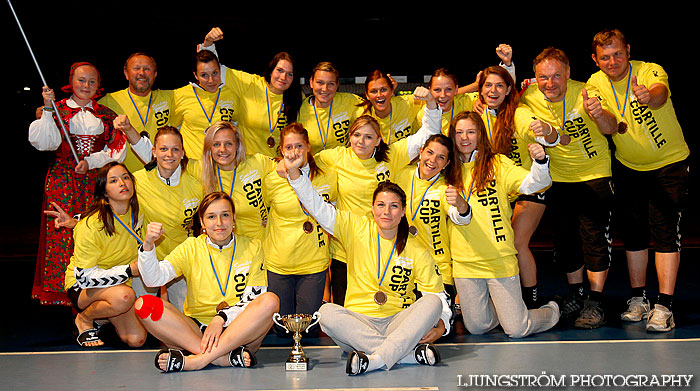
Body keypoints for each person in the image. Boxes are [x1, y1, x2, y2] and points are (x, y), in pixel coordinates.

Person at [285, 156, 451, 375]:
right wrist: (296, 177)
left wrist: (443, 325)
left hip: (397, 323)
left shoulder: (417, 248)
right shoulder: (355, 228)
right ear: (372, 208)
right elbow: (317, 207)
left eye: (394, 206)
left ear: (402, 212)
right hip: (357, 326)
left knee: (431, 302)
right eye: (381, 205)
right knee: (326, 312)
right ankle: (404, 355)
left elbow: (437, 296)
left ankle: (374, 359)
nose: (386, 212)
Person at [587, 29, 690, 332]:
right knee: (633, 235)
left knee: (665, 233)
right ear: (596, 59)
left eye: (617, 53)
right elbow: (609, 127)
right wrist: (596, 113)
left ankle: (665, 306)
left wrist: (648, 95)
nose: (612, 61)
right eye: (605, 57)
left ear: (628, 50)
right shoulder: (596, 83)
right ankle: (638, 299)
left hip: (669, 164)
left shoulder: (648, 70)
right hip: (629, 166)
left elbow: (660, 96)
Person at [312, 87, 442, 306]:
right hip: (347, 251)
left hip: (386, 247)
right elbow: (305, 163)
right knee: (347, 313)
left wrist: (430, 102)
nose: (361, 142)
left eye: (368, 137)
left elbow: (428, 135)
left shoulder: (392, 156)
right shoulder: (335, 157)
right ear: (349, 137)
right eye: (356, 135)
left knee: (386, 309)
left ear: (378, 140)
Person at [520, 47, 618, 329]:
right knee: (565, 243)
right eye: (543, 77)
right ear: (535, 77)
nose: (550, 84)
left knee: (594, 240)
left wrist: (598, 114)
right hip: (558, 179)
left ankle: (595, 301)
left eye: (556, 76)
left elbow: (611, 127)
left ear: (568, 74)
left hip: (593, 175)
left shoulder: (587, 92)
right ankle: (576, 294)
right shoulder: (530, 95)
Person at [136, 192, 280, 372]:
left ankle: (197, 361)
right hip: (196, 332)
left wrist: (221, 319)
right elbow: (153, 279)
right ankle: (221, 358)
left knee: (270, 300)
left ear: (234, 219)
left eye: (225, 215)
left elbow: (254, 298)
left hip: (239, 332)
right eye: (211, 217)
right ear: (202, 223)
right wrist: (148, 245)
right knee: (144, 304)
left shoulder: (253, 246)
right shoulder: (191, 246)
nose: (219, 223)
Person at [447, 111, 560, 338]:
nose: (464, 138)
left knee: (517, 329)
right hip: (465, 262)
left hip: (499, 258)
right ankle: (506, 311)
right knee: (477, 327)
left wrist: (540, 161)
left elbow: (534, 184)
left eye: (471, 131)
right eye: (459, 132)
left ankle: (552, 311)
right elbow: (454, 214)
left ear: (480, 134)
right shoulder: (448, 170)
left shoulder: (497, 163)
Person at [30, 62, 128, 306]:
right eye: (81, 80)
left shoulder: (106, 115)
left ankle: (90, 292)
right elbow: (45, 143)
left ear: (99, 85)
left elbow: (117, 149)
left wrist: (90, 161)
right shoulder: (57, 109)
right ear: (71, 81)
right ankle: (62, 294)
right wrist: (48, 110)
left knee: (91, 232)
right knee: (61, 232)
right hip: (63, 179)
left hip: (94, 180)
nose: (86, 86)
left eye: (92, 81)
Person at [476, 65, 560, 308]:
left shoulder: (519, 112)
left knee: (516, 241)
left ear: (509, 89)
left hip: (529, 187)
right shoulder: (477, 114)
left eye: (499, 85)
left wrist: (547, 134)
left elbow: (545, 136)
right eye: (488, 85)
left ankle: (531, 299)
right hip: (500, 192)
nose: (493, 90)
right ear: (480, 91)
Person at [262, 123, 337, 336]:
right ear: (281, 151)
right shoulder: (272, 180)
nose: (294, 152)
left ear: (308, 147)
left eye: (299, 146)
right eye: (288, 148)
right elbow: (264, 213)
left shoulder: (329, 176)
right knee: (281, 331)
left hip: (313, 263)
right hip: (279, 263)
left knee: (308, 331)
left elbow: (334, 212)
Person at [62, 162, 147, 348]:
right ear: (105, 192)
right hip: (83, 286)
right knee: (124, 297)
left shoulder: (138, 214)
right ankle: (84, 319)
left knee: (137, 339)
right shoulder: (91, 225)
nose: (122, 183)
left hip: (118, 285)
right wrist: (127, 271)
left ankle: (103, 317)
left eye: (126, 177)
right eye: (113, 180)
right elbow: (84, 277)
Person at [392, 133, 472, 328]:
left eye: (441, 157)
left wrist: (461, 205)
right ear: (420, 153)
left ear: (446, 164)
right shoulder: (400, 174)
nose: (432, 160)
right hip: (403, 266)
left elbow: (461, 217)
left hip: (437, 270)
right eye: (429, 153)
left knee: (435, 326)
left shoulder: (446, 188)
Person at [199, 27, 302, 157]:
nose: (283, 78)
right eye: (280, 70)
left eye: (289, 74)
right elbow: (217, 70)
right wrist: (208, 44)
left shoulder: (296, 98)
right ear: (271, 70)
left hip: (276, 166)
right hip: (246, 163)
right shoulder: (251, 84)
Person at [132, 126, 204, 310]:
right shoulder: (137, 181)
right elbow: (112, 208)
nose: (169, 154)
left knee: (188, 320)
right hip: (145, 260)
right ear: (154, 152)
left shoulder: (197, 185)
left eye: (175, 149)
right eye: (163, 149)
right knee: (137, 333)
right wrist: (76, 220)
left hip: (179, 261)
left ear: (183, 152)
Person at [190, 121, 275, 242]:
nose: (223, 149)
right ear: (209, 148)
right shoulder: (200, 170)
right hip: (221, 248)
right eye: (216, 144)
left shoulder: (257, 163)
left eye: (228, 144)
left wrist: (275, 215)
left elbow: (286, 170)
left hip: (259, 244)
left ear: (237, 145)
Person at [414, 44, 517, 134]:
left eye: (448, 89)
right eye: (437, 90)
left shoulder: (465, 101)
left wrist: (507, 64)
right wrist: (475, 85)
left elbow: (502, 92)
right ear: (430, 90)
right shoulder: (422, 116)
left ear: (456, 89)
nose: (442, 95)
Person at [99, 53, 175, 173]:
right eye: (136, 68)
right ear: (126, 73)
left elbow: (205, 86)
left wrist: (207, 47)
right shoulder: (108, 102)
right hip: (125, 182)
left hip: (161, 177)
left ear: (155, 74)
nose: (142, 73)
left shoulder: (170, 98)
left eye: (147, 69)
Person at [171, 49, 239, 160]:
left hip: (221, 163)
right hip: (192, 166)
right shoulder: (180, 95)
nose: (211, 80)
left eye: (215, 73)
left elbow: (236, 126)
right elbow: (173, 130)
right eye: (204, 75)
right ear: (196, 75)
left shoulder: (232, 94)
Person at [297, 62, 364, 154]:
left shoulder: (350, 101)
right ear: (311, 82)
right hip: (313, 165)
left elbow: (377, 107)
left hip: (342, 165)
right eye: (320, 83)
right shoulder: (299, 109)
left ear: (337, 85)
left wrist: (389, 89)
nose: (325, 89)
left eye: (331, 84)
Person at [358, 70, 423, 144]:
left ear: (392, 91)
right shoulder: (361, 114)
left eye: (383, 90)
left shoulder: (409, 103)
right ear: (367, 95)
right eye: (374, 91)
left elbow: (434, 101)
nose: (379, 95)